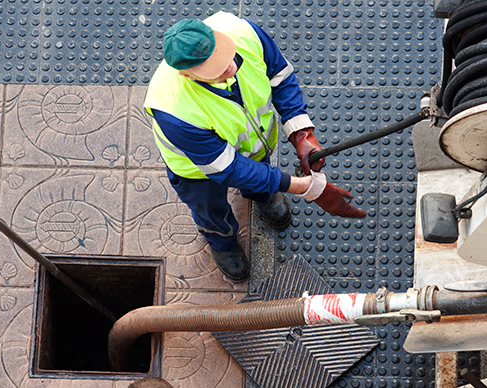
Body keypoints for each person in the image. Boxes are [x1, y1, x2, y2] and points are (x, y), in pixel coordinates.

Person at [144, 11, 365, 282]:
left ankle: (262, 194)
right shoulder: (174, 111)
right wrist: (308, 188)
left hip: (254, 142)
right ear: (186, 75)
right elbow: (229, 168)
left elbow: (281, 78)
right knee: (211, 210)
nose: (230, 67)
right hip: (197, 171)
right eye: (215, 68)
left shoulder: (243, 32)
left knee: (259, 175)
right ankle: (222, 243)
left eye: (225, 54)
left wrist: (302, 134)